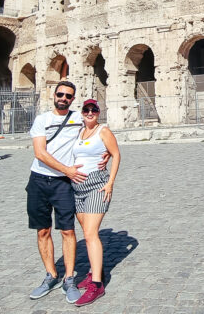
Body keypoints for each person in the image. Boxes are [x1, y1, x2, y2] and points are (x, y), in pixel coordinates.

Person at [25, 81, 107, 304]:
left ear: (72, 99)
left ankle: (69, 278)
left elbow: (97, 131)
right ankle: (51, 275)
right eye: (60, 94)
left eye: (68, 96)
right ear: (54, 95)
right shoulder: (42, 120)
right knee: (42, 230)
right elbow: (40, 153)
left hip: (64, 183)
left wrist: (106, 153)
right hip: (39, 180)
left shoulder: (78, 118)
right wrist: (68, 170)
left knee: (68, 231)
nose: (63, 98)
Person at [71, 99, 121, 306]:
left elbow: (117, 153)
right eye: (86, 110)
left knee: (91, 234)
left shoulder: (104, 131)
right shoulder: (78, 132)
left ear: (99, 112)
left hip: (97, 185)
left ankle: (97, 284)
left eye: (94, 110)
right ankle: (93, 271)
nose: (90, 112)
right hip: (77, 187)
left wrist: (110, 183)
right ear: (82, 113)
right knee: (87, 232)